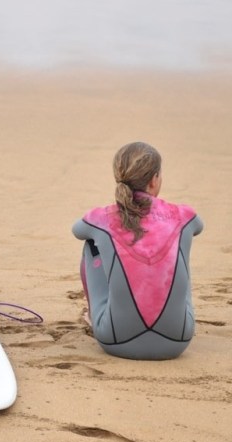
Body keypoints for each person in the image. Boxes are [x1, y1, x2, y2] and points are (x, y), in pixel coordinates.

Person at [72, 142, 203, 360]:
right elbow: (199, 227)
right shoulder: (184, 215)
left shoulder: (101, 218)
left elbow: (77, 230)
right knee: (180, 244)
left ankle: (96, 316)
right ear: (154, 180)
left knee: (91, 243)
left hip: (115, 340)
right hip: (178, 341)